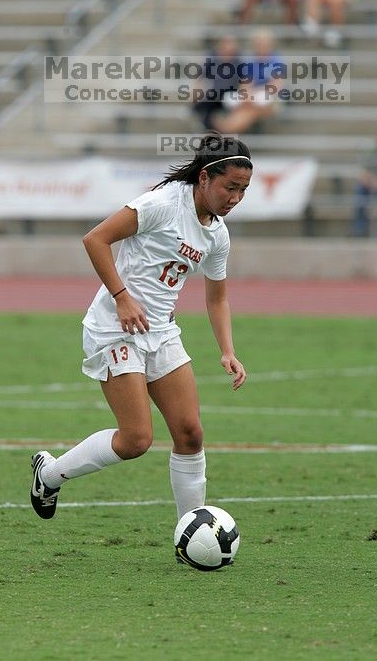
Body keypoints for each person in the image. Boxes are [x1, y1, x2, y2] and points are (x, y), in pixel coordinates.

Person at [30, 133, 251, 523]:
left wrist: (228, 350)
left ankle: (191, 530)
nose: (235, 198)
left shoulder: (217, 234)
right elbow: (95, 239)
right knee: (136, 440)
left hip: (162, 332)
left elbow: (217, 298)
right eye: (229, 187)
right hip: (115, 328)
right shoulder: (163, 204)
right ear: (204, 178)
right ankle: (48, 475)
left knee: (190, 434)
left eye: (243, 190)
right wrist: (121, 296)